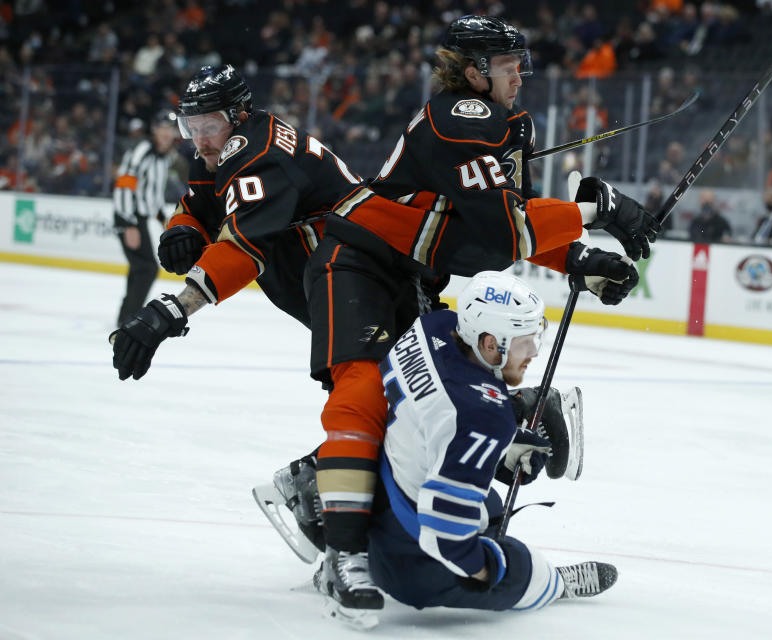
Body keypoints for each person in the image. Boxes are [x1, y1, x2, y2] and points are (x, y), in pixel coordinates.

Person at [257, 15, 660, 625]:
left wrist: (578, 256)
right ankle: (343, 554)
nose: (520, 76)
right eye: (507, 67)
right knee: (365, 392)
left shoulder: (500, 126)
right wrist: (593, 211)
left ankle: (319, 485)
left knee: (431, 399)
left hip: (411, 276)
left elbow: (506, 218)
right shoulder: (460, 117)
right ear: (475, 73)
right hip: (356, 263)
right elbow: (501, 232)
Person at [109, 64, 440, 381]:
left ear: (238, 116)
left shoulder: (258, 155)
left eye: (207, 127)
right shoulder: (220, 150)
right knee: (368, 388)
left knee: (395, 384)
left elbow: (243, 249)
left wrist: (172, 312)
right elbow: (196, 204)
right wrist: (184, 230)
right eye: (191, 129)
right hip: (342, 283)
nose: (200, 141)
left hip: (379, 281)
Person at [362, 271, 617, 629]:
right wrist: (487, 570)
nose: (534, 351)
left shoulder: (435, 326)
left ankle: (345, 549)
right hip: (407, 563)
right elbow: (445, 536)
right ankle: (554, 584)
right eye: (524, 341)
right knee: (520, 570)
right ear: (488, 343)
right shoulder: (484, 416)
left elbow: (441, 413)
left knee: (491, 507)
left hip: (373, 494)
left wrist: (497, 445)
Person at [113, 111, 178, 327]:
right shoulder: (143, 151)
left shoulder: (163, 157)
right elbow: (124, 184)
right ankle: (130, 318)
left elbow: (153, 197)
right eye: (163, 128)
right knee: (147, 268)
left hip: (137, 217)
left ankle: (126, 315)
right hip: (128, 215)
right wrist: (128, 223)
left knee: (140, 267)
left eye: (170, 129)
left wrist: (163, 219)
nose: (167, 133)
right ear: (154, 130)